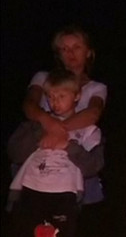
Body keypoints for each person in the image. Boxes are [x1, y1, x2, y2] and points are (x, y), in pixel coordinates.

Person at [4, 69, 103, 237]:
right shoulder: (37, 123)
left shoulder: (88, 130)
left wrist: (68, 145)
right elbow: (14, 151)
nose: (55, 102)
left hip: (64, 198)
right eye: (51, 96)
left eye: (62, 96)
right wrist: (41, 131)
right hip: (29, 192)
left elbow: (94, 165)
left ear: (77, 97)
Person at [21, 24, 107, 205]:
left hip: (73, 162)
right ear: (58, 54)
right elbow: (29, 105)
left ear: (88, 52)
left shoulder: (96, 87)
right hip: (39, 160)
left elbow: (93, 113)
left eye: (77, 47)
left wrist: (58, 131)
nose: (71, 53)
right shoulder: (43, 77)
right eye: (64, 49)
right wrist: (48, 122)